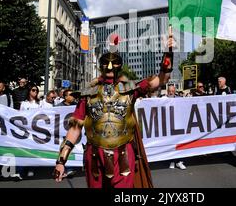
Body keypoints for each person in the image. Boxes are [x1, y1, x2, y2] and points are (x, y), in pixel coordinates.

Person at [53, 35, 174, 188]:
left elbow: (161, 80)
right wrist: (61, 160)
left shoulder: (130, 88)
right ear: (100, 66)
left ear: (120, 66)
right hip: (95, 156)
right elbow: (75, 128)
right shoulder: (88, 93)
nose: (110, 67)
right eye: (106, 63)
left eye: (114, 63)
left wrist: (168, 52)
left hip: (123, 154)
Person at [163, 84, 187, 170]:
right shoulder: (162, 99)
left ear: (175, 91)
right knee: (170, 144)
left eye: (172, 91)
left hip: (178, 125)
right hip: (168, 126)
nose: (171, 92)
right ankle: (172, 161)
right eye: (169, 91)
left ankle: (179, 161)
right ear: (167, 91)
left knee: (179, 144)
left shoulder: (179, 99)